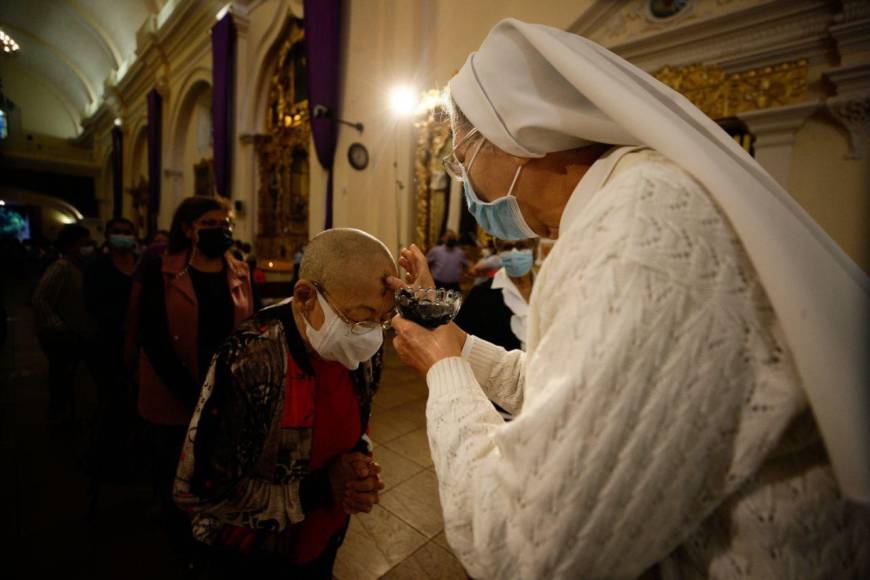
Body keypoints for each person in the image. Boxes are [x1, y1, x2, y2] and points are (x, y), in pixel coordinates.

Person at [389, 19, 869, 579]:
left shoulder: (636, 238)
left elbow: (523, 544)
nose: (466, 184)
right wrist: (459, 349)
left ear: (514, 135)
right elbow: (565, 387)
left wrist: (444, 375)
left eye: (462, 159)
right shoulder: (625, 203)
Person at [174, 228, 396, 578]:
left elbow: (357, 413)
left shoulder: (362, 350)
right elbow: (202, 491)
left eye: (380, 319)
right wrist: (321, 489)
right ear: (306, 295)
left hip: (325, 534)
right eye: (359, 317)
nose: (371, 334)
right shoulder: (250, 360)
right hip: (257, 553)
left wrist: (358, 461)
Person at [128, 196, 254, 557]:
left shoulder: (239, 271)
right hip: (173, 388)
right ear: (187, 228)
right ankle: (179, 541)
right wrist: (192, 392)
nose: (221, 230)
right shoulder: (162, 269)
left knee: (210, 467)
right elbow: (152, 336)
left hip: (223, 388)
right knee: (172, 466)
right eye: (210, 224)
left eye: (225, 224)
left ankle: (208, 532)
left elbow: (249, 329)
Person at [82, 217, 140, 482]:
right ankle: (105, 458)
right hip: (107, 342)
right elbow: (92, 305)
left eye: (127, 232)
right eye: (117, 232)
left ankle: (131, 455)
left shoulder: (142, 266)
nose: (122, 236)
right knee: (111, 401)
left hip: (138, 342)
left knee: (133, 402)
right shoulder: (97, 267)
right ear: (107, 235)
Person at [32, 223, 97, 427]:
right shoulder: (62, 267)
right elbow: (40, 298)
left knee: (69, 376)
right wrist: (58, 326)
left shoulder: (80, 267)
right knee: (61, 376)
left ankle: (68, 413)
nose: (89, 248)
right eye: (85, 244)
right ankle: (60, 415)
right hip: (62, 336)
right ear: (71, 247)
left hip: (75, 332)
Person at [455, 238, 535, 352]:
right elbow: (463, 341)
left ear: (533, 247)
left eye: (521, 246)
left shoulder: (550, 289)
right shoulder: (481, 295)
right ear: (499, 251)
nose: (514, 252)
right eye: (507, 247)